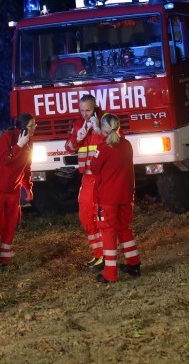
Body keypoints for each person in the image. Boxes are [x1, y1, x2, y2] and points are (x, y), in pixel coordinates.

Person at [0, 113, 35, 266]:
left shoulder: (30, 142)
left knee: (11, 223)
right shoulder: (7, 138)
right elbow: (3, 160)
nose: (34, 128)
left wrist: (28, 188)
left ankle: (6, 258)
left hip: (13, 189)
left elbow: (27, 167)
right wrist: (18, 146)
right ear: (22, 128)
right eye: (31, 126)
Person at [91, 113, 141, 283]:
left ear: (103, 130)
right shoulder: (127, 145)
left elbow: (94, 168)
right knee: (124, 229)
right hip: (126, 197)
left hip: (107, 199)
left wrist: (98, 140)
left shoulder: (103, 148)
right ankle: (134, 265)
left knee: (108, 234)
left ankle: (110, 274)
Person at [64, 94, 105, 270]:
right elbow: (69, 148)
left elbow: (115, 144)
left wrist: (98, 131)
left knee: (101, 217)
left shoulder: (106, 122)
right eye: (82, 110)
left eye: (88, 110)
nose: (85, 114)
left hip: (102, 178)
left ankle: (106, 255)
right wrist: (78, 138)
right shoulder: (78, 124)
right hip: (87, 177)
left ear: (95, 108)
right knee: (85, 216)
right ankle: (98, 255)